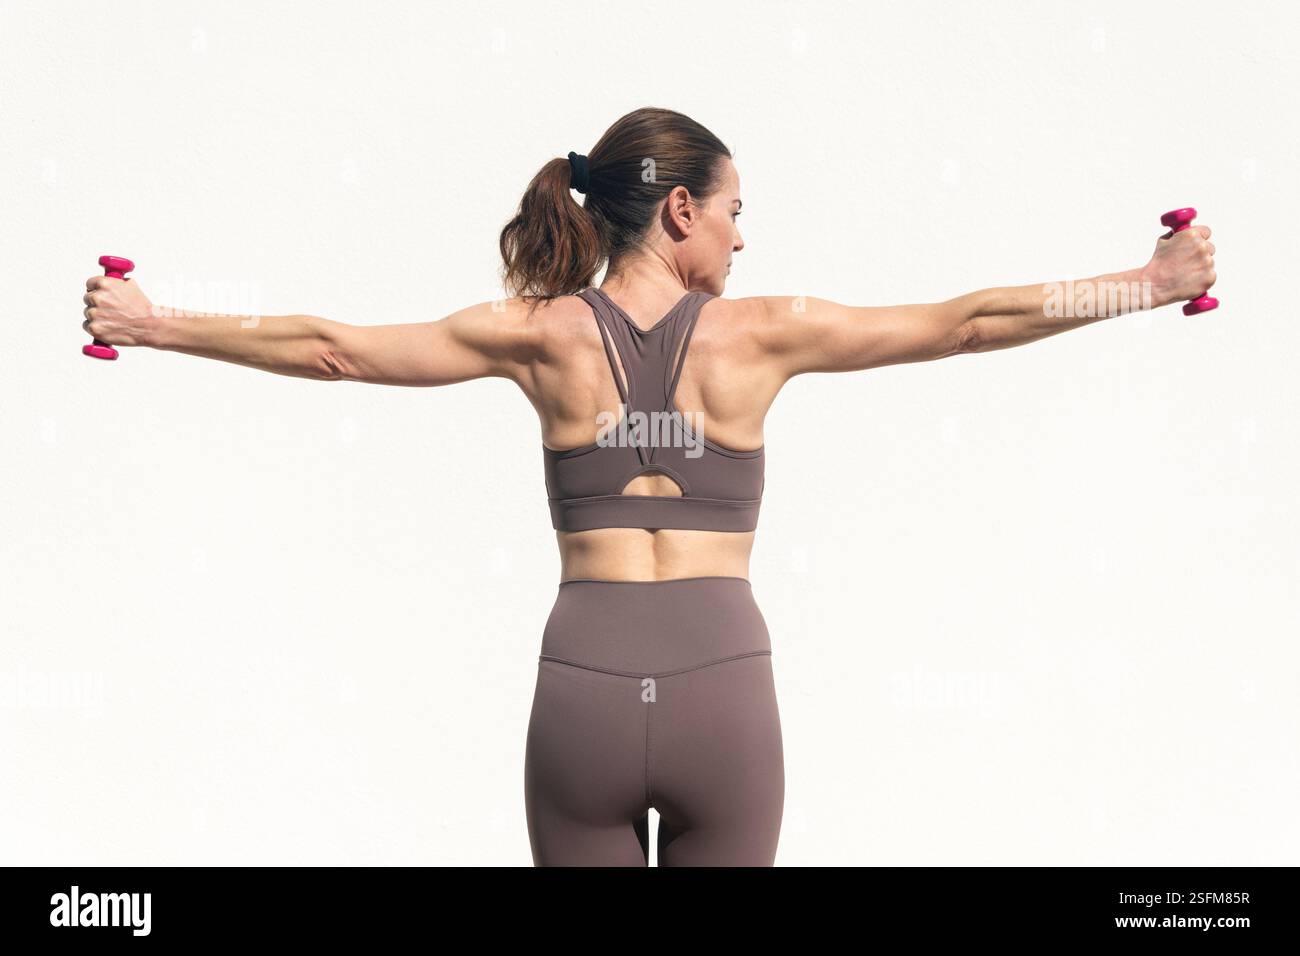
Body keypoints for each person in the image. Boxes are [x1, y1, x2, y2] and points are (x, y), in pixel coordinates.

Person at [80, 106, 1217, 866]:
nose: (738, 240)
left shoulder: (534, 334)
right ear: (681, 210)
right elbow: (973, 322)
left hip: (581, 678)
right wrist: (1149, 282)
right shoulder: (768, 333)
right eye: (731, 213)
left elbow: (332, 345)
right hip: (723, 681)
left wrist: (151, 320)